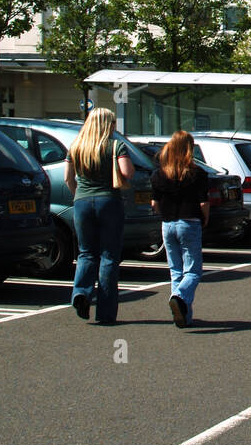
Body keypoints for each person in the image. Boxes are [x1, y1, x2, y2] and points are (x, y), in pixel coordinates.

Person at [65, 107, 134, 324]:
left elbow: (68, 178)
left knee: (86, 252)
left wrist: (79, 196)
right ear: (108, 125)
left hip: (82, 202)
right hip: (109, 201)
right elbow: (127, 173)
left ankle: (81, 292)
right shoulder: (116, 145)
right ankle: (105, 312)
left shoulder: (76, 146)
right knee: (109, 256)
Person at [151, 131, 210, 329]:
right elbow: (203, 202)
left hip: (167, 224)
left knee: (176, 270)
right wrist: (205, 218)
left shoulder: (159, 174)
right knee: (193, 271)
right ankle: (179, 297)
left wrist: (162, 213)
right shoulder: (197, 173)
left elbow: (154, 203)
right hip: (189, 221)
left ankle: (185, 316)